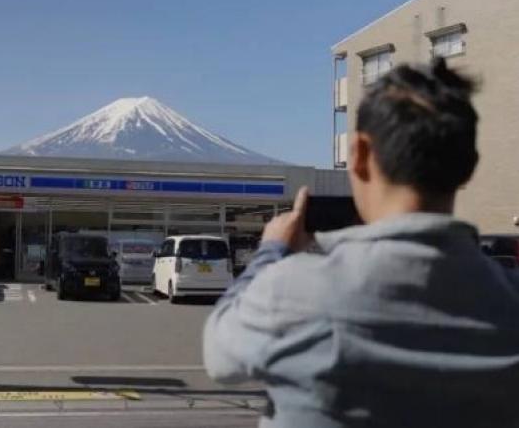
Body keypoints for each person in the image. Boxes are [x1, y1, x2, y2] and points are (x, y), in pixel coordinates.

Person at [203, 59, 519, 428]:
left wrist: (270, 252)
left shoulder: (293, 290)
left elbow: (219, 356)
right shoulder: (509, 300)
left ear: (361, 154)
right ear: (470, 166)